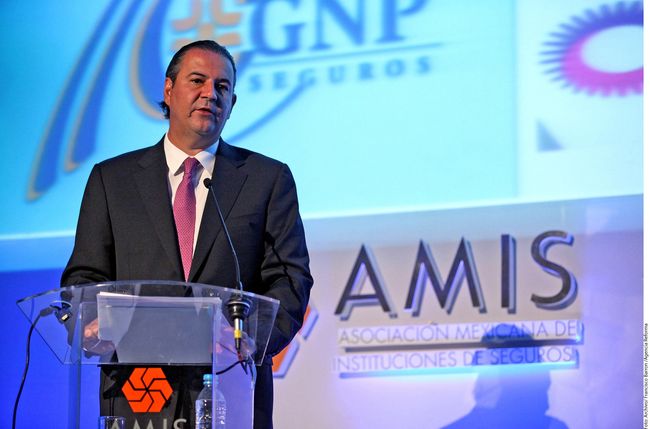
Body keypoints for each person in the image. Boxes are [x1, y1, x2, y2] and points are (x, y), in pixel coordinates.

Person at [61, 39, 313, 429]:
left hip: (230, 386)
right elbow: (84, 276)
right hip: (137, 391)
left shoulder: (266, 179)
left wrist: (246, 339)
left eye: (223, 87)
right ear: (168, 90)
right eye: (197, 80)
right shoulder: (112, 180)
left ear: (232, 103)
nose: (211, 94)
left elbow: (290, 278)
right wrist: (90, 322)